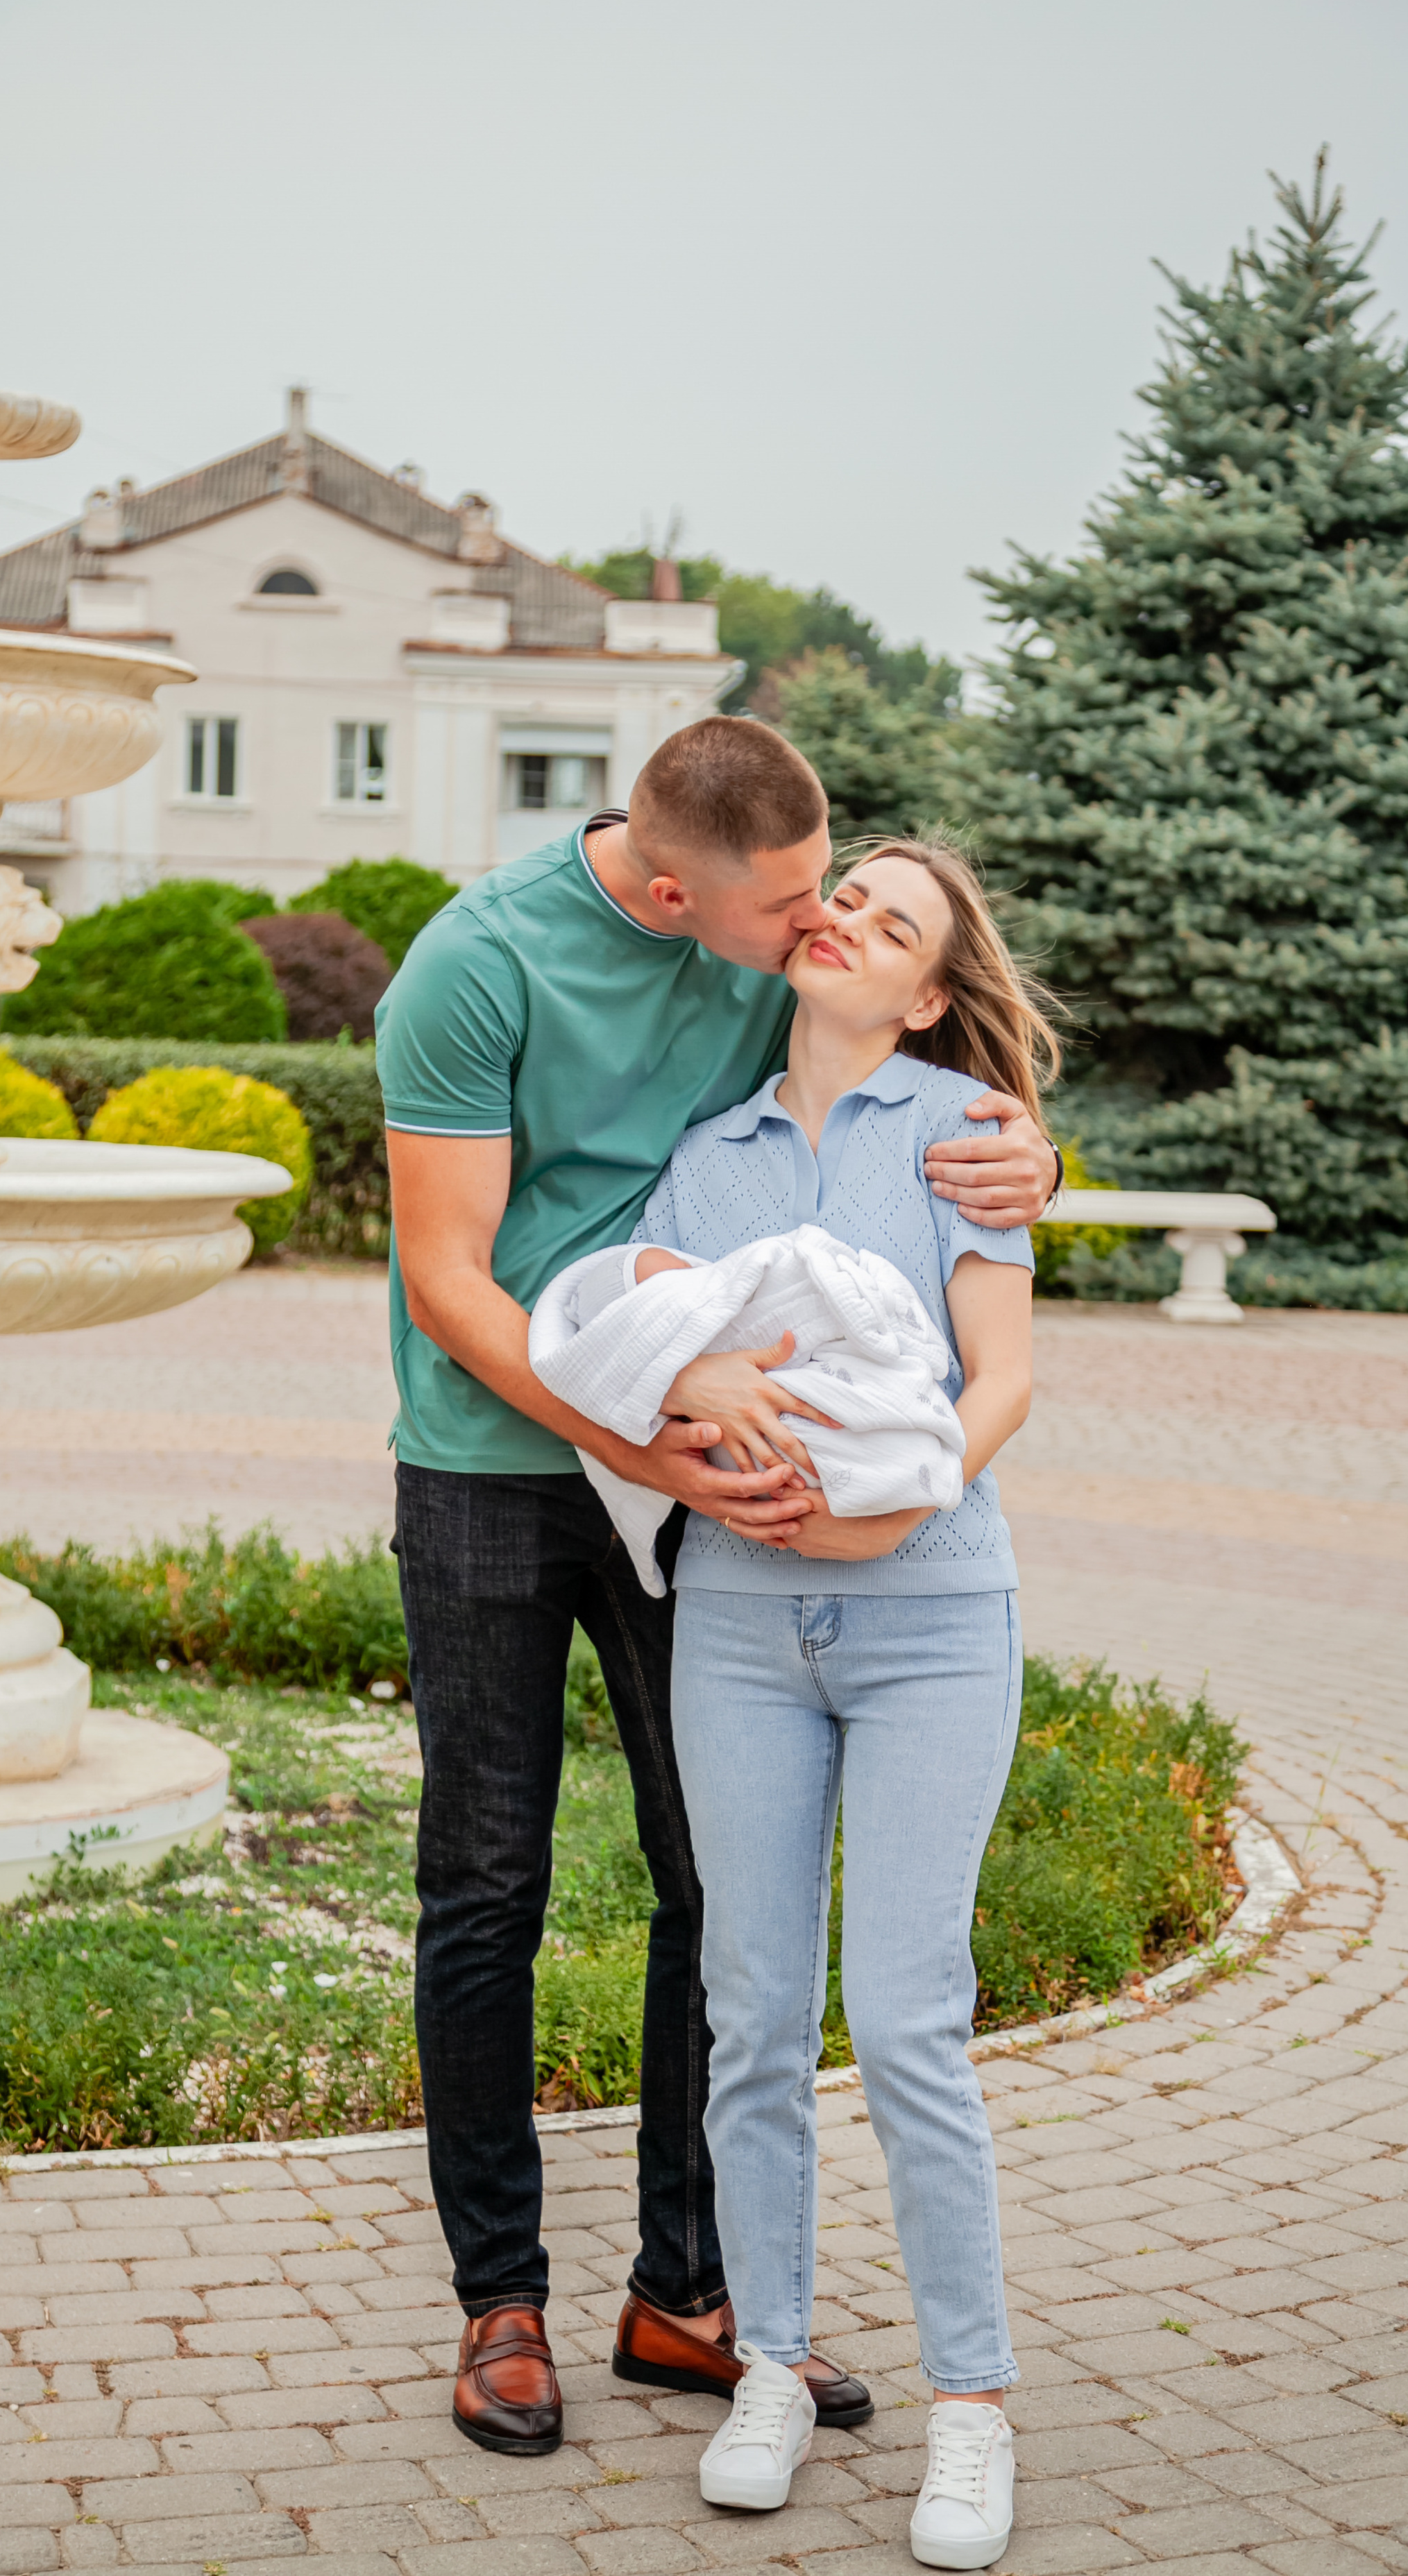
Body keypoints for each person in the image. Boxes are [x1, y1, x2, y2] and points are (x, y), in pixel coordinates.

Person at [375, 718, 1060, 2458]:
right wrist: (647, 1425)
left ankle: (687, 2294)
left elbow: (918, 1082)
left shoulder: (779, 941)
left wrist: (1031, 1162)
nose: (816, 923)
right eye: (788, 909)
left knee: (715, 1889)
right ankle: (499, 2300)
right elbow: (448, 1279)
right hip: (491, 1464)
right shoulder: (475, 964)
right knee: (486, 1877)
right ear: (679, 899)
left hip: (710, 1476)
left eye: (830, 897)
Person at [617, 835, 1053, 2566]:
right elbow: (647, 1364)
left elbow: (1001, 1378)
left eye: (893, 922)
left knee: (905, 2016)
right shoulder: (704, 1154)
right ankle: (772, 2368)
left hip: (929, 1615)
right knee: (749, 2015)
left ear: (929, 993)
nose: (850, 921)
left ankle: (971, 2410)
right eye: (844, 898)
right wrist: (688, 1427)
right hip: (734, 1624)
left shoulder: (963, 1133)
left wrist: (894, 1506)